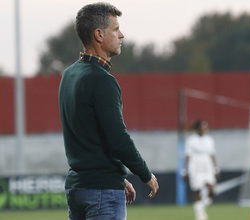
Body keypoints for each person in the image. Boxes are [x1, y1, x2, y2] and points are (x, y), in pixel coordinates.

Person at [58, 3, 158, 220]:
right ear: (99, 35)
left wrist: (120, 178)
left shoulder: (69, 75)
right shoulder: (102, 80)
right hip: (101, 192)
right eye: (115, 29)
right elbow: (117, 138)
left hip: (77, 187)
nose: (121, 35)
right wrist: (145, 174)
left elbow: (88, 135)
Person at [183, 120, 219, 220]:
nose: (205, 129)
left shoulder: (209, 140)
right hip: (195, 167)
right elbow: (187, 156)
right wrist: (185, 170)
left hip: (207, 167)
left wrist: (216, 169)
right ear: (198, 128)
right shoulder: (191, 140)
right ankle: (199, 215)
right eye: (203, 127)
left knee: (212, 189)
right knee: (197, 191)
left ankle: (202, 207)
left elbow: (212, 155)